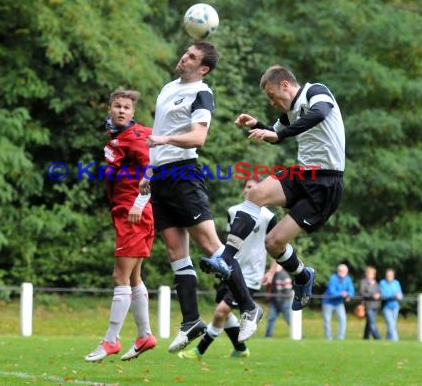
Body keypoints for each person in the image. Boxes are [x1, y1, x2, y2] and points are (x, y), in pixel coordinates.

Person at [200, 64, 346, 331]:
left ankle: (302, 275)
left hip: (326, 183)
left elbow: (319, 114)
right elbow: (276, 136)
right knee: (256, 193)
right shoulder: (290, 112)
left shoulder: (316, 91)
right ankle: (226, 258)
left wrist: (279, 132)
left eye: (272, 95)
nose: (272, 101)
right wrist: (258, 125)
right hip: (302, 175)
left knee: (273, 242)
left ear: (286, 85)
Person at [139, 42, 261, 353]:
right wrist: (149, 172)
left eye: (192, 56)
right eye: (187, 52)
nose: (185, 56)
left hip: (184, 174)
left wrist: (164, 139)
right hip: (162, 176)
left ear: (203, 68)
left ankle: (249, 307)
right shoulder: (168, 88)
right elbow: (159, 132)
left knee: (210, 246)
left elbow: (198, 137)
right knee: (175, 252)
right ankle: (191, 321)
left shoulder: (201, 93)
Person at [84, 88, 156, 362]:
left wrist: (139, 203)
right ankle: (145, 335)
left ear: (133, 112)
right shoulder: (117, 136)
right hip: (125, 211)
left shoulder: (137, 137)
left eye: (127, 107)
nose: (122, 110)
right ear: (110, 109)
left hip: (134, 212)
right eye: (118, 106)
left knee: (119, 277)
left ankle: (111, 340)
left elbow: (153, 168)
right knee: (134, 277)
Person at [178, 178, 278, 360]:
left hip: (251, 275)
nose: (250, 189)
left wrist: (271, 271)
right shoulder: (233, 212)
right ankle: (240, 349)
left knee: (220, 313)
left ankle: (199, 351)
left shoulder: (268, 217)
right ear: (243, 190)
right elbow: (226, 241)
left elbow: (276, 244)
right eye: (248, 186)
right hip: (230, 269)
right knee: (223, 312)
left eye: (255, 187)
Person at [322, 264, 355, 340]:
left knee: (343, 319)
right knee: (327, 320)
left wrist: (348, 295)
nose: (342, 272)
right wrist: (342, 294)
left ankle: (340, 337)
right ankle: (328, 338)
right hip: (328, 302)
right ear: (338, 271)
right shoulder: (333, 278)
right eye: (341, 271)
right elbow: (332, 292)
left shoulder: (348, 279)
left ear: (346, 272)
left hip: (339, 303)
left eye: (344, 271)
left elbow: (351, 291)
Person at [265, 265, 293, 338]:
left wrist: (281, 299)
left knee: (289, 319)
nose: (275, 267)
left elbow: (288, 292)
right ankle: (268, 337)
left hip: (284, 302)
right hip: (274, 302)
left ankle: (298, 334)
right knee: (271, 319)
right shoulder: (273, 275)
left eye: (277, 266)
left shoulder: (285, 275)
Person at [379, 268, 403, 342]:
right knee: (391, 324)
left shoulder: (396, 283)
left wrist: (399, 296)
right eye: (388, 275)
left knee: (392, 325)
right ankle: (396, 340)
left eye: (391, 275)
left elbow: (400, 293)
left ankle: (388, 339)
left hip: (395, 306)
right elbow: (384, 295)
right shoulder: (382, 283)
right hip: (386, 307)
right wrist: (394, 295)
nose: (389, 277)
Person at [358, 266, 381, 340]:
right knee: (372, 323)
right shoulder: (363, 282)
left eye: (373, 274)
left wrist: (379, 295)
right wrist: (372, 295)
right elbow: (361, 293)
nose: (372, 275)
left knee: (369, 323)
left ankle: (366, 337)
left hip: (376, 305)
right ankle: (378, 338)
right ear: (367, 274)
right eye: (370, 274)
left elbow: (380, 292)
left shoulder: (376, 283)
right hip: (368, 305)